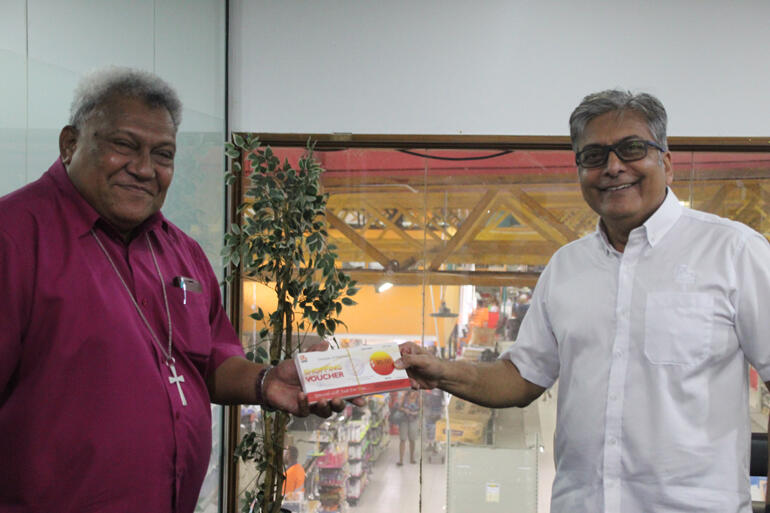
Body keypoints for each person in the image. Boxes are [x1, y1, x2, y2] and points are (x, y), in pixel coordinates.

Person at [0, 67, 359, 513]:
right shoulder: (14, 239)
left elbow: (208, 360)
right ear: (70, 144)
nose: (144, 169)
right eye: (124, 146)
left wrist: (265, 381)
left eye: (163, 154)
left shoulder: (180, 251)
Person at [397, 89, 770, 512]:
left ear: (666, 162)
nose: (613, 167)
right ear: (579, 171)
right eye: (594, 156)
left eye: (631, 149)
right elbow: (521, 378)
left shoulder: (733, 253)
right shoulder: (566, 268)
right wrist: (444, 371)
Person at [396, 389, 420, 465]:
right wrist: (404, 409)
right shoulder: (404, 397)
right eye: (413, 392)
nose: (414, 393)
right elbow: (399, 407)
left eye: (416, 392)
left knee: (412, 440)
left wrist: (416, 412)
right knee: (402, 439)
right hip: (404, 420)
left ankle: (412, 458)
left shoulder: (418, 398)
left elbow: (421, 409)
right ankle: (401, 460)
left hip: (414, 421)